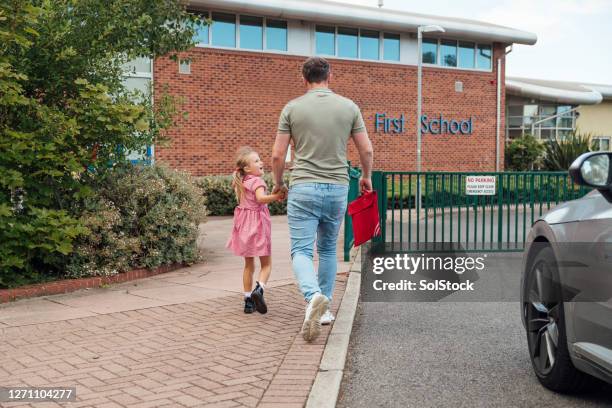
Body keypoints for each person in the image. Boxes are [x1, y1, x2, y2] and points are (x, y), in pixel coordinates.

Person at [271, 57, 374, 342]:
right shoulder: (349, 107)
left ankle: (312, 295)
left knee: (302, 251)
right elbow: (366, 149)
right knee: (328, 249)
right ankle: (324, 308)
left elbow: (278, 155)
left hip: (303, 186)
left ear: (304, 78)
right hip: (337, 186)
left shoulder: (292, 108)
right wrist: (367, 176)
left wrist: (279, 184)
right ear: (330, 76)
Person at [227, 146, 285, 314]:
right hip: (258, 225)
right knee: (266, 264)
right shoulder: (257, 181)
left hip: (244, 225)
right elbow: (260, 199)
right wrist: (276, 196)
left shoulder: (241, 181)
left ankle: (247, 301)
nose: (261, 162)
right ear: (247, 168)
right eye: (257, 160)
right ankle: (258, 290)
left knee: (248, 265)